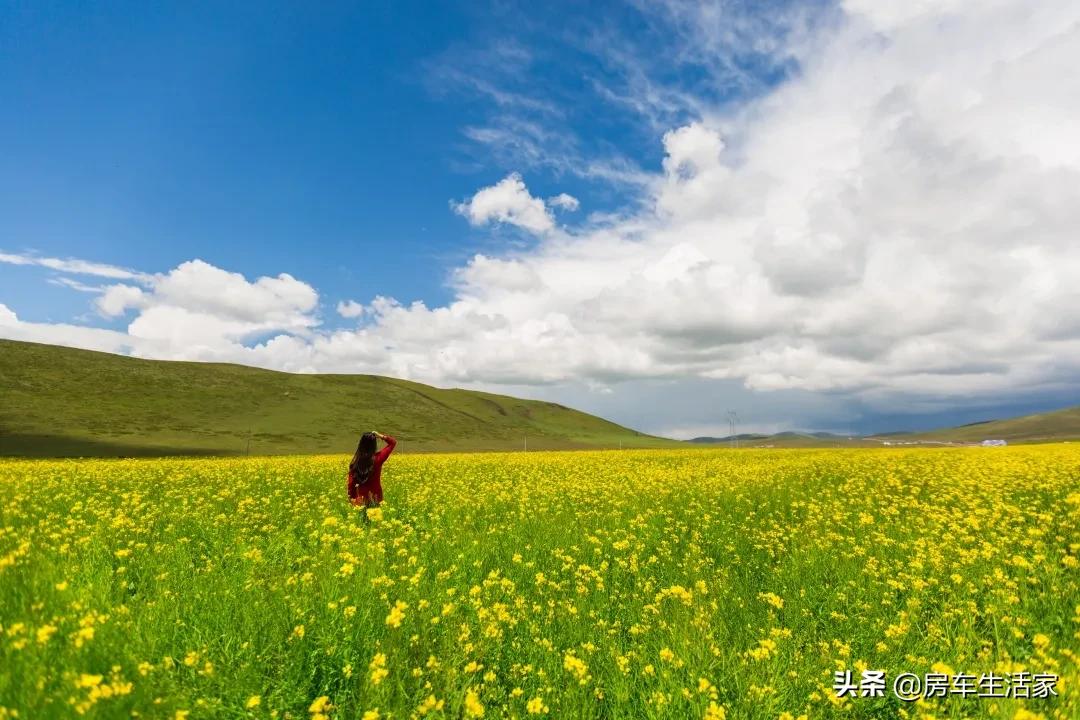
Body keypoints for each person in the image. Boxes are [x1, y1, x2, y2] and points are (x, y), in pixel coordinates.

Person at [347, 431, 397, 509]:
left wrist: (351, 499)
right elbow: (393, 442)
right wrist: (380, 436)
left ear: (361, 444)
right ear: (374, 445)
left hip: (361, 501)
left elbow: (351, 484)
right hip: (376, 498)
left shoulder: (355, 462)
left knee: (363, 517)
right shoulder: (378, 458)